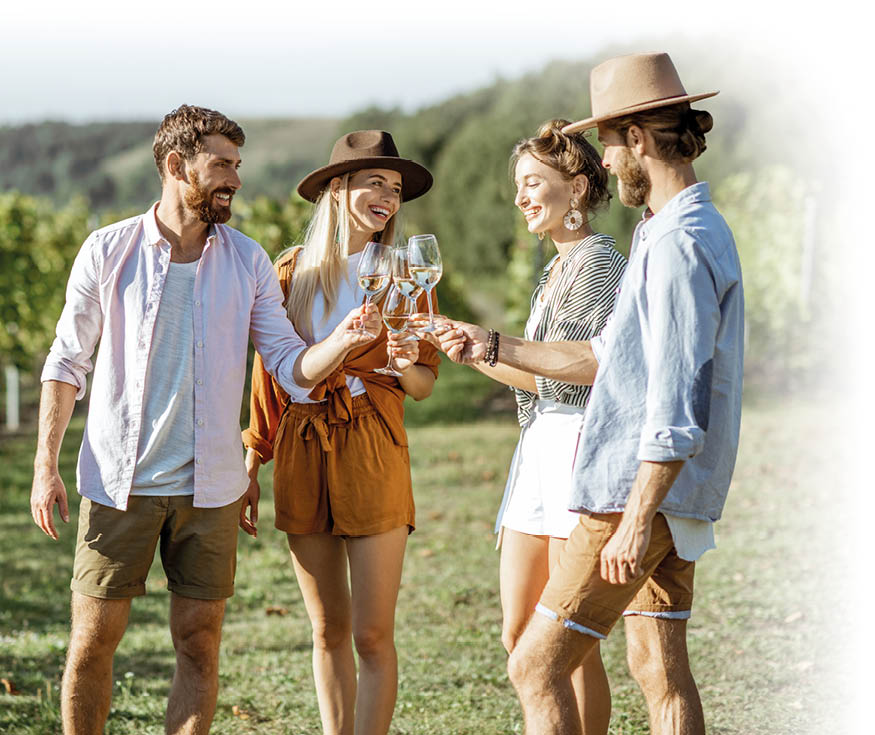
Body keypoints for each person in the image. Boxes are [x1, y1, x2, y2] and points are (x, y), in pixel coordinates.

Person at [28, 105, 379, 735]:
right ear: (175, 165)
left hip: (211, 491)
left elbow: (290, 366)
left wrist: (345, 340)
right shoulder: (109, 251)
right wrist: (44, 467)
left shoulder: (247, 261)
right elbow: (66, 362)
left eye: (237, 166)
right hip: (118, 482)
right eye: (221, 165)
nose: (235, 180)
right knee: (92, 643)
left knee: (199, 644)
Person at [429, 52, 744, 735]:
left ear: (636, 138)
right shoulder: (672, 231)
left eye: (605, 142)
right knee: (658, 669)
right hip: (670, 493)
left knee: (534, 666)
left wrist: (634, 517)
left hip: (636, 493)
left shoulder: (679, 243)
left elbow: (676, 392)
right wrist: (490, 344)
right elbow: (610, 357)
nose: (603, 161)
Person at [425, 119, 626, 732]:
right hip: (537, 448)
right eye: (518, 185)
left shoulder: (600, 265)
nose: (521, 197)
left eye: (534, 182)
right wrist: (471, 349)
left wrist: (490, 342)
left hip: (577, 452)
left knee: (570, 642)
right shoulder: (553, 270)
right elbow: (540, 382)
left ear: (579, 188)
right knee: (519, 631)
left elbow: (577, 376)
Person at [242, 130, 440, 735]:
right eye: (374, 182)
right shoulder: (289, 274)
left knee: (372, 632)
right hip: (303, 448)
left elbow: (424, 384)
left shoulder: (410, 274)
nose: (388, 196)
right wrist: (253, 462)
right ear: (337, 189)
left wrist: (408, 360)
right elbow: (269, 381)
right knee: (326, 629)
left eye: (396, 188)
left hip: (374, 445)